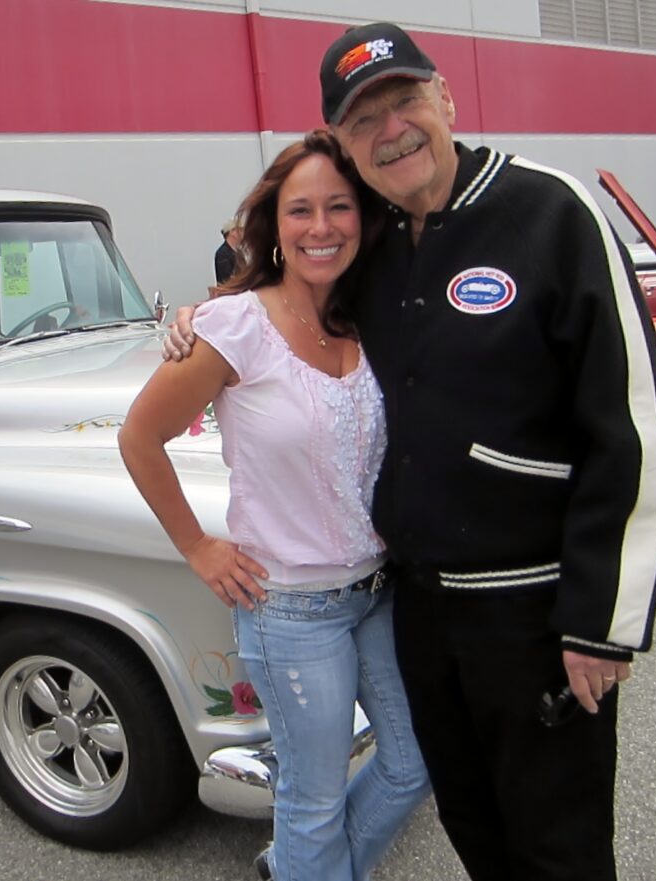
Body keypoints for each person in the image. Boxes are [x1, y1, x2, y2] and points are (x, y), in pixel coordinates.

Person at [164, 22, 656, 881]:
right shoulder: (377, 245)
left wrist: (602, 624)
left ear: (446, 98)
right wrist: (200, 311)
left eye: (404, 101)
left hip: (537, 614)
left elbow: (629, 428)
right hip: (419, 613)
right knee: (471, 819)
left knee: (561, 845)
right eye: (364, 121)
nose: (391, 129)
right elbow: (286, 268)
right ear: (349, 146)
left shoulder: (552, 212)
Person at [119, 130, 429, 881]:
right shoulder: (234, 327)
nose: (321, 226)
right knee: (313, 799)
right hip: (291, 608)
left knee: (415, 761)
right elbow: (140, 436)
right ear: (273, 226)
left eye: (339, 206)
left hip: (378, 590)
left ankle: (297, 867)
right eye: (301, 210)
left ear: (364, 217)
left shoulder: (370, 315)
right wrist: (199, 546)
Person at [214, 217, 242, 284]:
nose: (243, 233)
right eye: (240, 230)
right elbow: (226, 280)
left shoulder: (240, 253)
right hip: (231, 293)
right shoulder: (222, 254)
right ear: (232, 232)